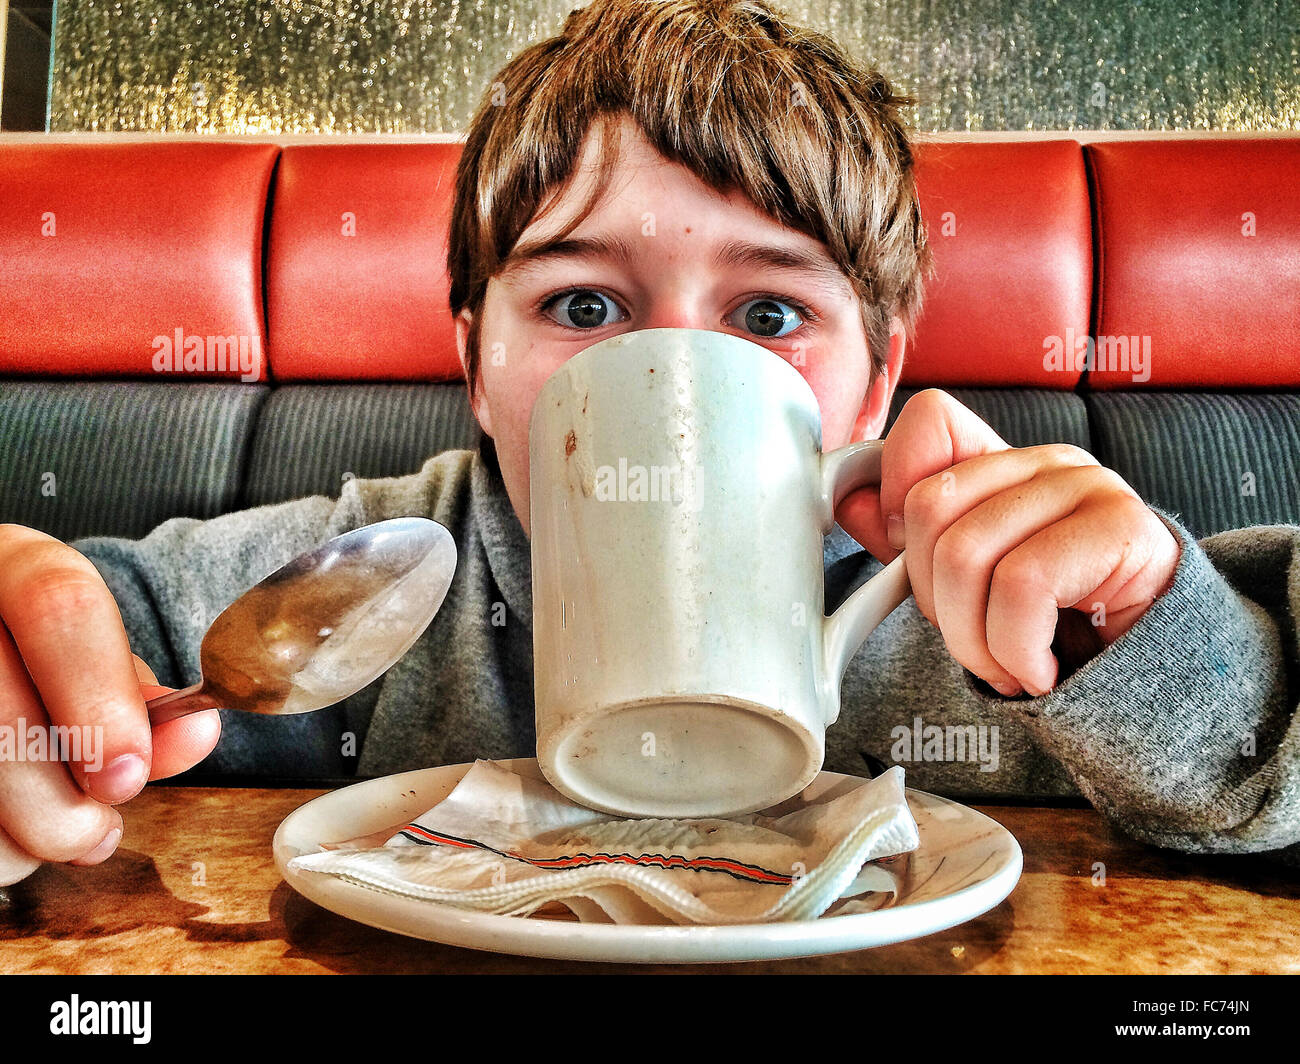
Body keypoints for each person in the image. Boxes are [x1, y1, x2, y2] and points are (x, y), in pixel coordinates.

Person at [0, 0, 1296, 888]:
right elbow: (99, 653)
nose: (673, 373)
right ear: (475, 364)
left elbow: (1264, 769)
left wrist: (1160, 652)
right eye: (582, 307)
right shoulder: (367, 574)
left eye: (772, 314)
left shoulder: (1017, 614)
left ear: (878, 377)